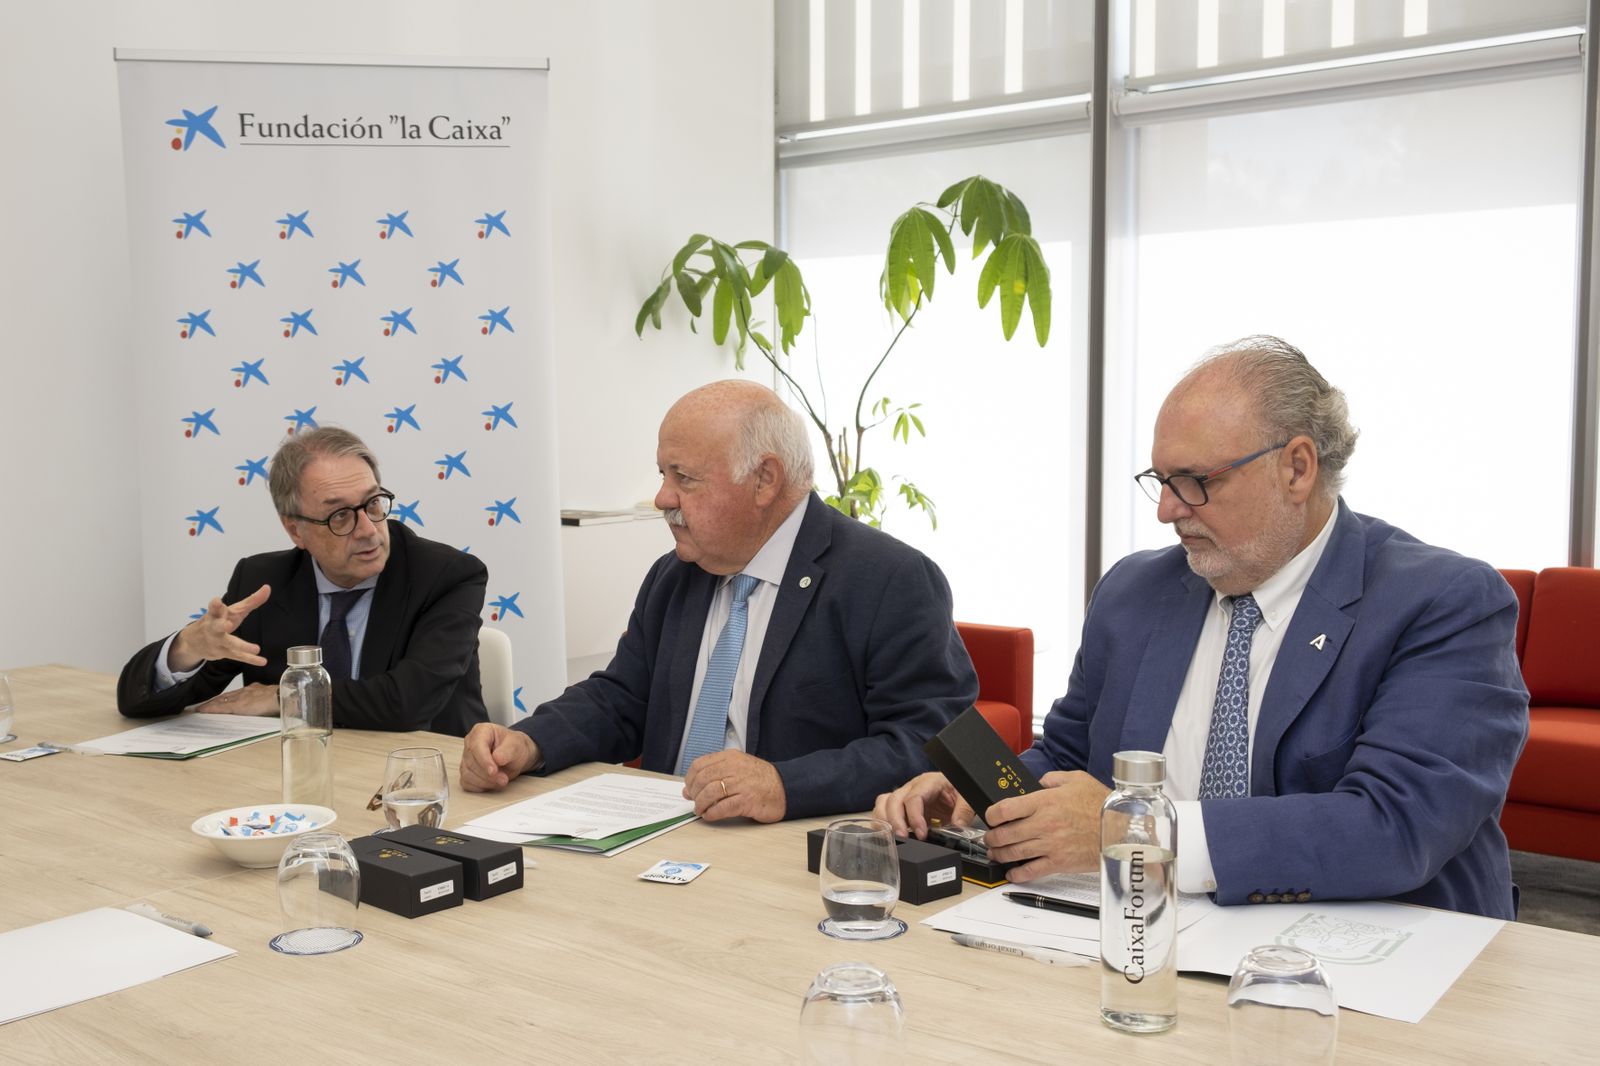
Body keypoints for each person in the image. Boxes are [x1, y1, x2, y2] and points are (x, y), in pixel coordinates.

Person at [876, 336, 1528, 919]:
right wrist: (983, 791)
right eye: (1161, 480)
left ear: (1296, 468)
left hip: (1381, 956)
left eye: (1193, 481)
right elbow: (1071, 754)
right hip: (1151, 932)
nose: (1165, 511)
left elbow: (1395, 828)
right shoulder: (1136, 591)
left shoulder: (1443, 601)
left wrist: (1136, 832)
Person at [460, 379, 977, 822]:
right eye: (663, 474)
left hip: (790, 859)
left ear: (765, 480)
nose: (662, 497)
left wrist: (785, 784)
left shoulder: (887, 579)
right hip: (658, 836)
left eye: (683, 477)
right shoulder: (676, 574)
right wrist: (529, 742)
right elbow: (620, 700)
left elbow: (930, 745)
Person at [117, 427, 488, 736]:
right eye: (340, 516)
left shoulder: (446, 576)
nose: (367, 531)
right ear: (295, 530)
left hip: (424, 780)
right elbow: (135, 702)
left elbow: (409, 702)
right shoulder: (263, 582)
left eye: (373, 503)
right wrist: (187, 647)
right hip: (291, 781)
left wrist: (286, 697)